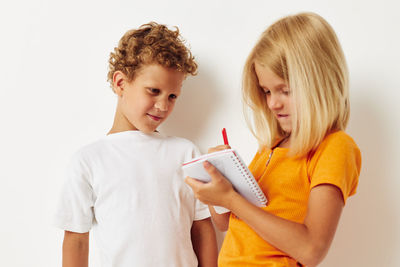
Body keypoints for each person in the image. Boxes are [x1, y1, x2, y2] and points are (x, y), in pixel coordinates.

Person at [185, 12, 361, 267]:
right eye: (266, 91)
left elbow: (311, 250)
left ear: (321, 83)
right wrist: (216, 187)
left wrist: (231, 199)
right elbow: (226, 223)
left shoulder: (335, 147)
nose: (272, 103)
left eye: (285, 90)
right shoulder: (271, 146)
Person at [54, 22, 218, 267]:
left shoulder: (185, 152)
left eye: (172, 96)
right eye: (153, 91)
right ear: (120, 83)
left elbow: (202, 227)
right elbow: (76, 238)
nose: (163, 106)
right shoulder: (88, 160)